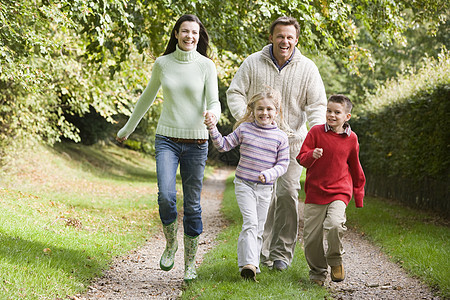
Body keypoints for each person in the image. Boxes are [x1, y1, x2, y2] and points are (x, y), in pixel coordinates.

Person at [116, 14, 221, 282]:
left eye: (194, 33)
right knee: (165, 195)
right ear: (176, 34)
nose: (190, 37)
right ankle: (171, 243)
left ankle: (189, 264)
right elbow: (146, 98)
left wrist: (213, 116)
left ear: (199, 35)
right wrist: (127, 129)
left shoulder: (206, 65)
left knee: (194, 205)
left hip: (197, 142)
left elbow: (214, 101)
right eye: (185, 31)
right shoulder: (163, 64)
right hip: (167, 140)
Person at [226, 16, 327, 271]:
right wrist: (246, 119)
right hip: (259, 143)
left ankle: (281, 253)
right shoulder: (252, 63)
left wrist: (317, 136)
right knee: (264, 198)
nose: (285, 41)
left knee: (286, 195)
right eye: (280, 36)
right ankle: (259, 251)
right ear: (271, 37)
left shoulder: (307, 68)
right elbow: (235, 92)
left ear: (296, 39)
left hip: (293, 144)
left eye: (290, 37)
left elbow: (317, 105)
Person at [204, 86, 289, 281]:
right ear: (252, 109)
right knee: (250, 223)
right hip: (244, 184)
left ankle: (248, 266)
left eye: (269, 109)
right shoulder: (245, 129)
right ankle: (251, 263)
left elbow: (283, 164)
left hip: (265, 187)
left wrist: (269, 174)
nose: (264, 113)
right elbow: (223, 145)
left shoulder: (280, 137)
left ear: (276, 111)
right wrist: (212, 127)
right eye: (260, 108)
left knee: (258, 228)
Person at [297, 94, 366, 286]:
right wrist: (312, 154)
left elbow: (355, 166)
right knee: (311, 238)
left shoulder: (352, 138)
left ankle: (335, 261)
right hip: (315, 192)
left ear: (347, 117)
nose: (332, 115)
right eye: (329, 111)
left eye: (337, 112)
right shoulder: (316, 132)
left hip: (339, 191)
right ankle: (318, 273)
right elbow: (301, 158)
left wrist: (358, 195)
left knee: (335, 224)